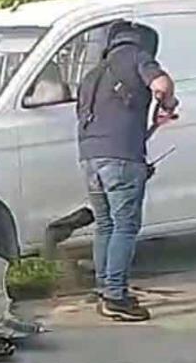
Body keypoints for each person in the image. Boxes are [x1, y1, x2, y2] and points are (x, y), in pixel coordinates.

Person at [76, 20, 178, 322]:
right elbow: (161, 84)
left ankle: (104, 288)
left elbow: (106, 126)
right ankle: (116, 296)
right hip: (121, 161)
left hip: (90, 158)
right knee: (125, 226)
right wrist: (167, 100)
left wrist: (153, 126)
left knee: (105, 225)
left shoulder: (93, 74)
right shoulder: (137, 57)